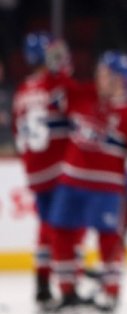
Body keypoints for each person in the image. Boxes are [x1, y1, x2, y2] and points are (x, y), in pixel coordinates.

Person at [48, 52, 127, 311]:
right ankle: (67, 292)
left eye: (105, 73)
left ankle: (111, 293)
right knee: (61, 234)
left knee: (108, 239)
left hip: (106, 188)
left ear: (120, 79)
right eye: (99, 72)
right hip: (71, 181)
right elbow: (56, 94)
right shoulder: (85, 95)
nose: (99, 77)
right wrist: (58, 69)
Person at [12, 33, 75, 309]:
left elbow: (17, 131)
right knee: (61, 228)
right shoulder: (54, 85)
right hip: (57, 166)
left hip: (35, 169)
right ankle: (66, 281)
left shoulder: (23, 90)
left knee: (47, 227)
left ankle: (42, 283)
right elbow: (75, 113)